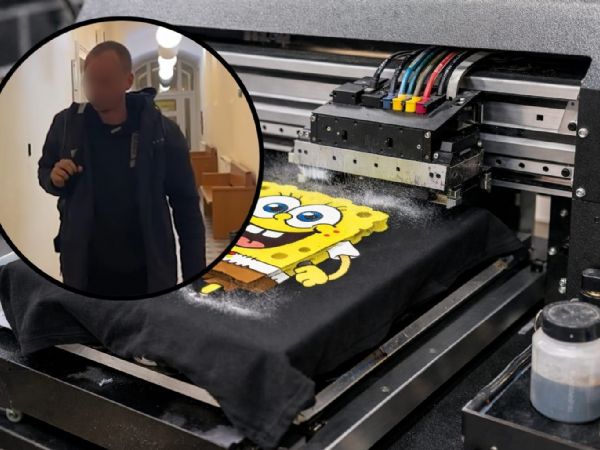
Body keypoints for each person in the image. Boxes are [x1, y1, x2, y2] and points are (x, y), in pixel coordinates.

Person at [38, 40, 206, 297]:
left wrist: (196, 285)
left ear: (127, 81)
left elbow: (187, 210)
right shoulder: (67, 126)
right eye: (90, 81)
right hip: (84, 272)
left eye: (105, 82)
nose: (95, 90)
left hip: (149, 274)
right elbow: (45, 171)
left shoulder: (162, 134)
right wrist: (53, 179)